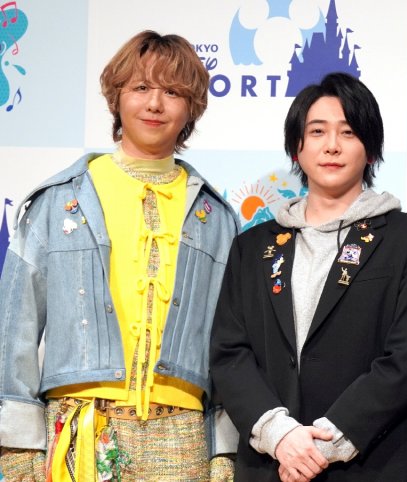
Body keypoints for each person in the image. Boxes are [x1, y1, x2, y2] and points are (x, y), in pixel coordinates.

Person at [0, 31, 239, 481]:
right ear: (117, 96)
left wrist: (224, 450)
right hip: (78, 427)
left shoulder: (217, 218)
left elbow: (231, 344)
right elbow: (15, 327)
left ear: (191, 107)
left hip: (183, 436)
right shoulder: (59, 200)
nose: (155, 104)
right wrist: (17, 444)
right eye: (141, 87)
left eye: (173, 92)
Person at [211, 72, 407, 482]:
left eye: (348, 132)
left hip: (371, 464)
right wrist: (281, 436)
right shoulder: (252, 247)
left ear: (370, 150)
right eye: (317, 131)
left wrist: (326, 443)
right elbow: (230, 354)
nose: (332, 145)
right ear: (296, 148)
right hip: (272, 465)